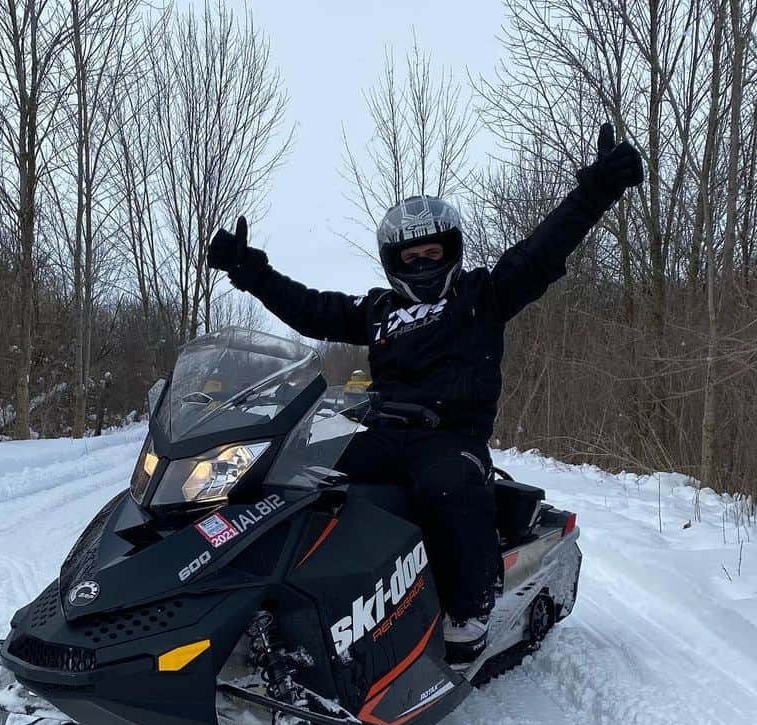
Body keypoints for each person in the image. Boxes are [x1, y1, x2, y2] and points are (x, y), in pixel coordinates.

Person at [208, 122, 643, 663]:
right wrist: (250, 270)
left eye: (432, 253)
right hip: (380, 430)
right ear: (394, 263)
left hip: (450, 437)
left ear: (451, 252)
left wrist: (598, 188)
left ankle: (468, 611)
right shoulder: (378, 312)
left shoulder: (482, 296)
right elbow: (310, 309)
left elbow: (541, 251)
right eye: (411, 259)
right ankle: (256, 587)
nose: (423, 264)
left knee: (447, 486)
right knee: (286, 468)